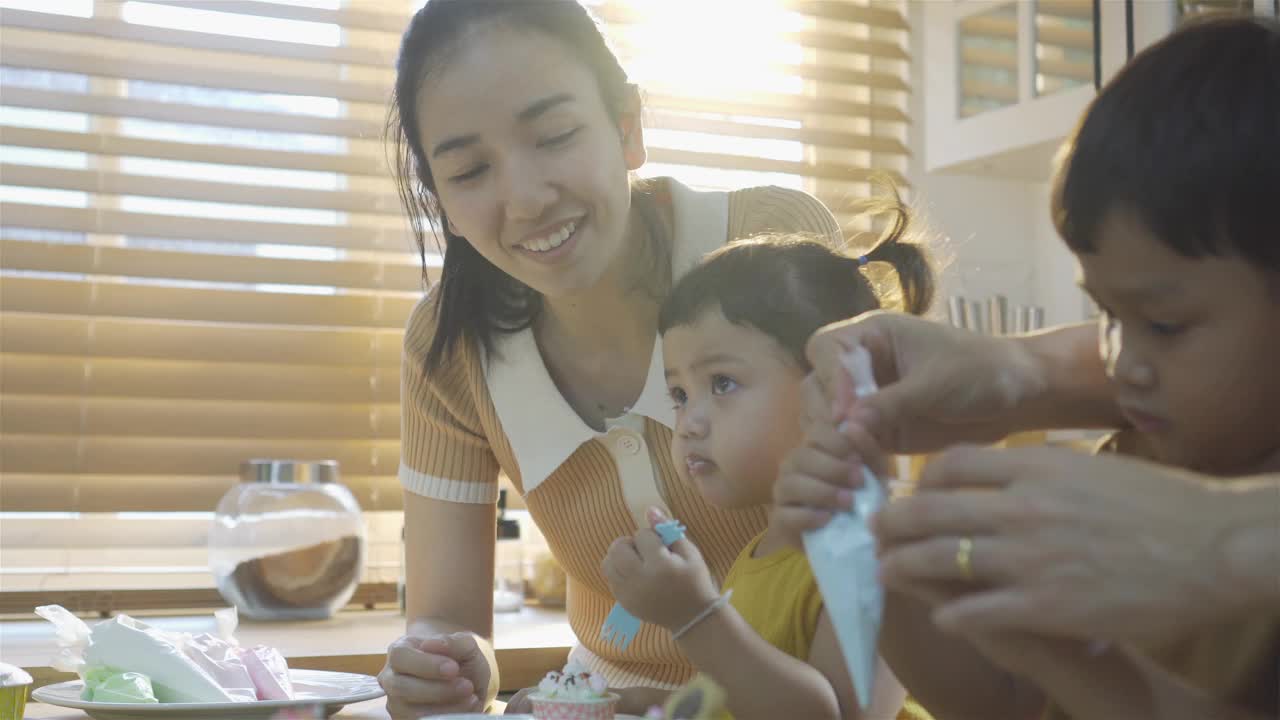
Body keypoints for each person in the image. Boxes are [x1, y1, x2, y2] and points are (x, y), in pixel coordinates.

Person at [775, 15, 1280, 720]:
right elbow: (1010, 702)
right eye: (1108, 316)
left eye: (1163, 324)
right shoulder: (1139, 458)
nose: (1125, 364)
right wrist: (867, 546)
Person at [377, 2, 851, 717]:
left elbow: (883, 533)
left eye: (556, 135)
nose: (527, 199)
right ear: (438, 197)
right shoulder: (446, 347)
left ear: (628, 126)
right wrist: (446, 660)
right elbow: (447, 617)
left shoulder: (772, 244)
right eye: (471, 170)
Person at [595, 224, 932, 720]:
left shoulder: (875, 553)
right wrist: (642, 702)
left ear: (834, 391)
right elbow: (750, 703)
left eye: (723, 383)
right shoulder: (759, 553)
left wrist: (696, 617)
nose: (688, 424)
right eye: (680, 396)